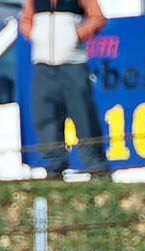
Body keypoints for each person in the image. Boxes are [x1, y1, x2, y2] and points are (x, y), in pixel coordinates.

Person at [19, 0, 108, 180]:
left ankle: (96, 166)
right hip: (43, 65)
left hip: (73, 64)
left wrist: (76, 35)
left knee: (83, 116)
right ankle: (54, 167)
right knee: (45, 117)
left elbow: (97, 18)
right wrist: (33, 34)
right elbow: (25, 19)